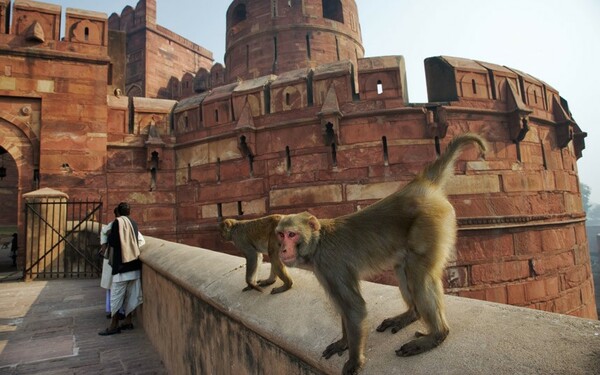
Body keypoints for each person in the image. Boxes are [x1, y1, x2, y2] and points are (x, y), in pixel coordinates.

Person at [99, 202, 145, 336]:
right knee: (131, 296)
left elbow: (112, 242)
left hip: (121, 266)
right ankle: (128, 321)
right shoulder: (134, 223)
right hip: (134, 265)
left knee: (116, 297)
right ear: (129, 212)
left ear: (118, 212)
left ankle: (114, 326)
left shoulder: (116, 223)